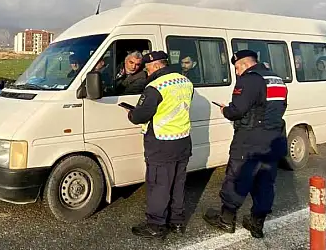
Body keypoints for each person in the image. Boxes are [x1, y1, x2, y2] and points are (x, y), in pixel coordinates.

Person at [203, 49, 288, 239]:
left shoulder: (249, 79)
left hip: (250, 139)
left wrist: (226, 110)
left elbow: (238, 110)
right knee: (265, 181)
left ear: (243, 64)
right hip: (273, 138)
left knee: (237, 177)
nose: (237, 72)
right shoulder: (276, 79)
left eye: (236, 68)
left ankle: (226, 220)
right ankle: (257, 223)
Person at [122, 51, 194, 239]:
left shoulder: (155, 87)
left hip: (162, 143)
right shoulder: (185, 81)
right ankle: (176, 222)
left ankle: (155, 224)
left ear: (155, 66)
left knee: (159, 185)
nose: (146, 72)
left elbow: (140, 115)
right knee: (178, 183)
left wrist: (132, 114)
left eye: (147, 68)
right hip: (183, 139)